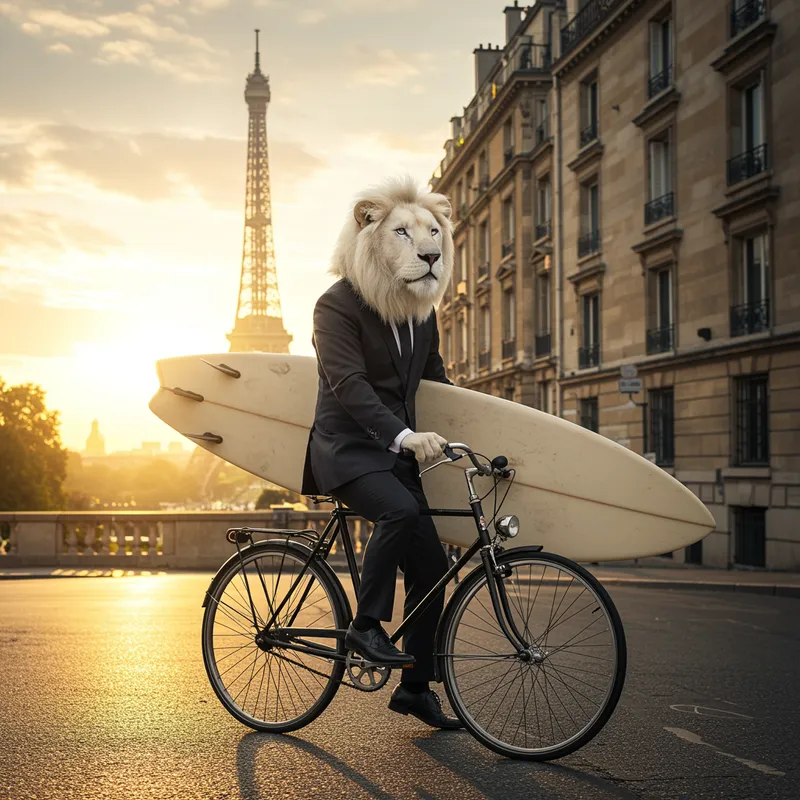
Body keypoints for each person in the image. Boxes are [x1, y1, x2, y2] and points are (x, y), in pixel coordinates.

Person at [301, 177, 462, 729]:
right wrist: (403, 436)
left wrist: (488, 429)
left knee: (434, 568)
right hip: (346, 451)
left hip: (398, 455)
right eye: (404, 234)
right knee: (399, 510)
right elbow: (348, 385)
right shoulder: (335, 306)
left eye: (433, 233)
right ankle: (365, 626)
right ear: (368, 237)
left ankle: (415, 688)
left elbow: (437, 383)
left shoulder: (421, 311)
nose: (428, 248)